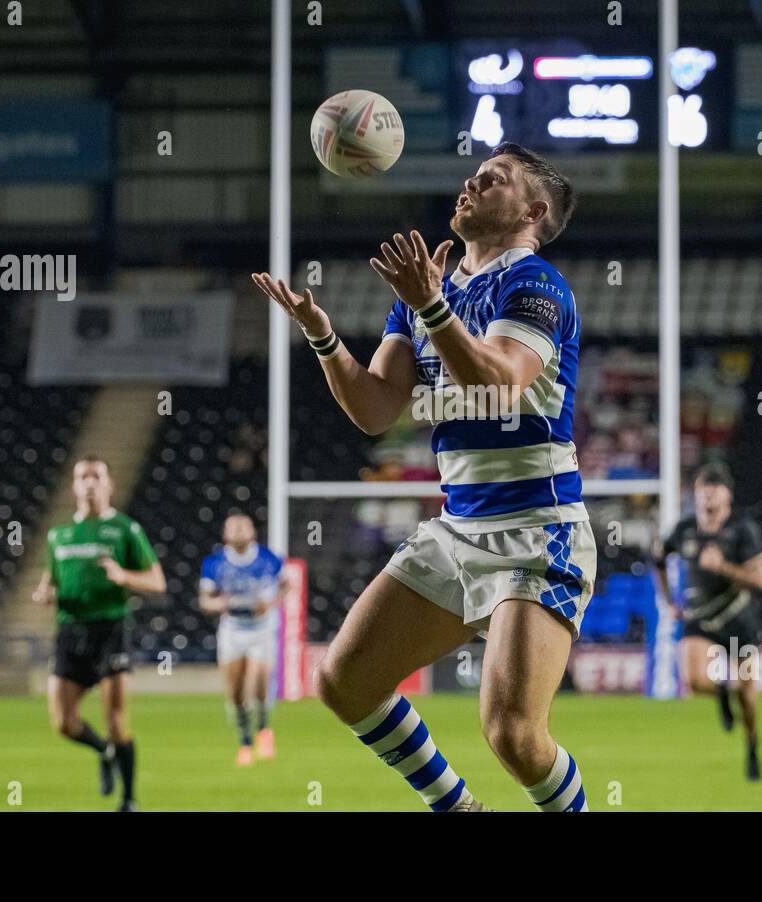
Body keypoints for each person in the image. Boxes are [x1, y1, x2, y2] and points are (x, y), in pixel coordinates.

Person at [252, 142, 593, 811]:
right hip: (458, 528)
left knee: (514, 735)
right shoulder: (426, 293)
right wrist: (323, 336)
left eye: (493, 178)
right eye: (474, 173)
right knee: (344, 682)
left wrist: (431, 306)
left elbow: (501, 386)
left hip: (538, 530)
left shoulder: (536, 285)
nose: (472, 181)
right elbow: (376, 409)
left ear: (532, 212)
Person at [33, 455, 166, 811]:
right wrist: (45, 593)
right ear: (74, 486)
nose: (90, 482)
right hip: (70, 632)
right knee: (64, 723)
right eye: (83, 476)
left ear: (108, 485)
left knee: (117, 721)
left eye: (96, 476)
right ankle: (104, 752)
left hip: (111, 629)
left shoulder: (125, 529)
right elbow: (49, 583)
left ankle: (129, 799)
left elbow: (157, 581)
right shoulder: (59, 535)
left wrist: (125, 576)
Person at [656, 462, 762, 781]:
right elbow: (658, 559)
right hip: (700, 617)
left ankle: (752, 744)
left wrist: (724, 567)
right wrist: (670, 601)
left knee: (747, 693)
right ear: (695, 494)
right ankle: (721, 692)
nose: (708, 494)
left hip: (736, 616)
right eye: (703, 488)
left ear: (727, 495)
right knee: (692, 681)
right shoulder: (684, 529)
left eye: (715, 488)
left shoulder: (742, 528)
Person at [199, 514, 289, 766]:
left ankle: (263, 728)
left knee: (259, 681)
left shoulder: (268, 558)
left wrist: (270, 603)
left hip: (262, 628)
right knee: (236, 692)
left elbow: (285, 585)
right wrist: (221, 603)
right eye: (233, 527)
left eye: (243, 526)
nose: (239, 530)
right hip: (233, 629)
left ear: (252, 531)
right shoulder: (214, 563)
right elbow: (205, 600)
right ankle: (245, 741)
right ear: (225, 533)